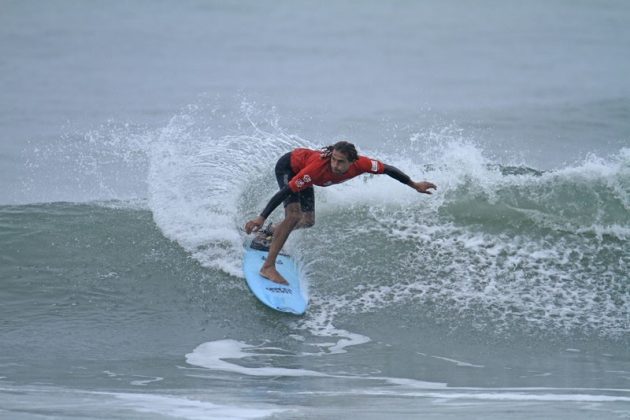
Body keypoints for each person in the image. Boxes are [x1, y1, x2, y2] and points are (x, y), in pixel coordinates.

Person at [244, 141, 436, 285]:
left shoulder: (362, 164)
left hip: (304, 170)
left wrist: (414, 185)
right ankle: (268, 267)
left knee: (308, 221)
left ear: (352, 162)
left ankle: (269, 233)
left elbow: (388, 169)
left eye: (340, 162)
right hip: (289, 167)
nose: (334, 165)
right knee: (293, 215)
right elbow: (285, 192)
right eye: (333, 159)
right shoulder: (318, 169)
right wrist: (261, 217)